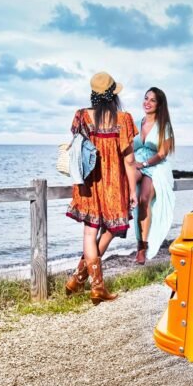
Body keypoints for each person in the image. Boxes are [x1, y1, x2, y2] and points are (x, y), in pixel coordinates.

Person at [65, 72, 138, 304]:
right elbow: (128, 160)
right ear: (112, 95)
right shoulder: (124, 119)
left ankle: (79, 279)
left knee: (90, 231)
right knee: (112, 228)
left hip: (88, 181)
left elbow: (77, 147)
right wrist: (134, 191)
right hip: (114, 183)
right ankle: (96, 287)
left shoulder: (81, 116)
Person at [132, 87, 175, 264]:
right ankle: (116, 223)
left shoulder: (164, 125)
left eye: (152, 100)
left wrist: (144, 164)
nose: (147, 103)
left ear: (159, 105)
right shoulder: (135, 123)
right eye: (146, 98)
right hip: (136, 163)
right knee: (124, 186)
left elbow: (163, 153)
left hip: (155, 166)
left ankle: (141, 247)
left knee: (143, 199)